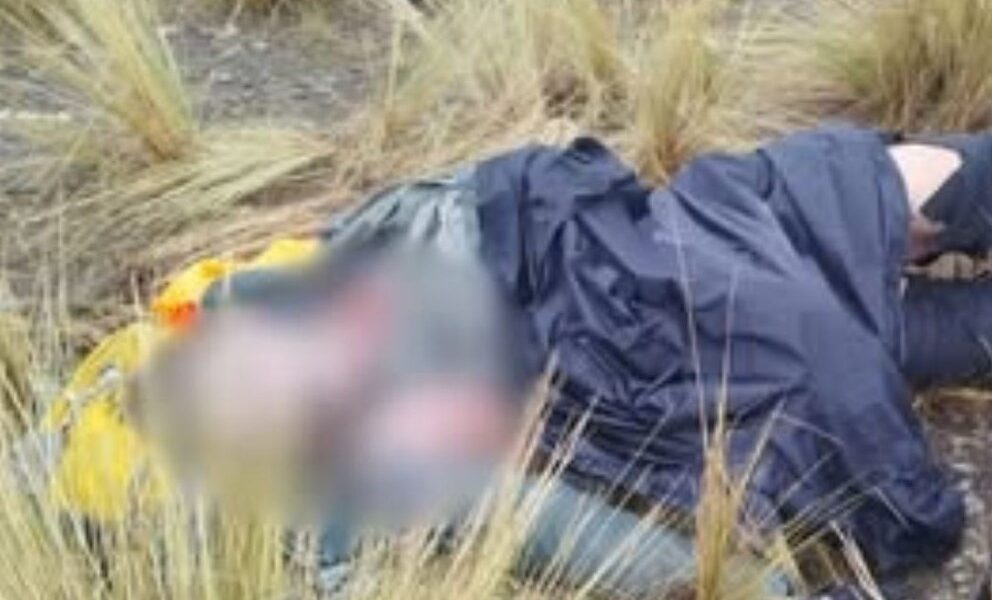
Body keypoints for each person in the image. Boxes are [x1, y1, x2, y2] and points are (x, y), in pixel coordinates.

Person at [136, 125, 992, 597]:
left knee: (885, 201)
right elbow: (587, 535)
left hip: (607, 249)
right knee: (855, 285)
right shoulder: (372, 469)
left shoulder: (298, 312)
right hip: (641, 303)